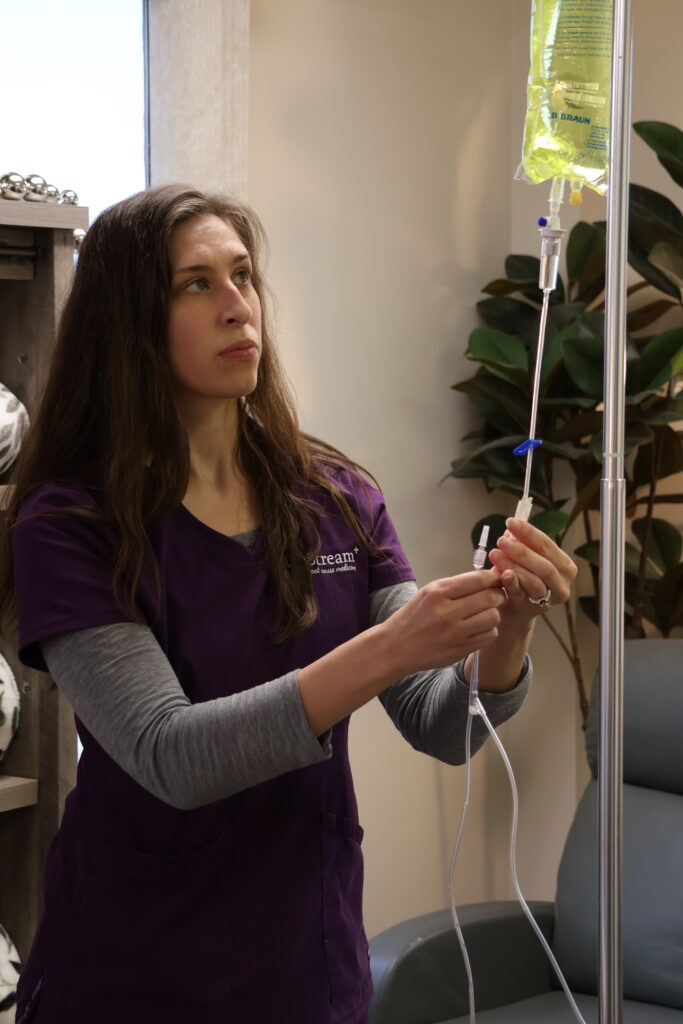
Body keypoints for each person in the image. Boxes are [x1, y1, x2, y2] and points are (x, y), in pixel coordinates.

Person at [0, 184, 576, 1024]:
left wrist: (509, 627)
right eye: (195, 284)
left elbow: (442, 724)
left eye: (243, 276)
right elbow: (170, 755)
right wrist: (390, 646)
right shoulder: (69, 523)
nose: (238, 307)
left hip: (305, 965)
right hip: (135, 972)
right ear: (127, 321)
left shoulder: (333, 497)